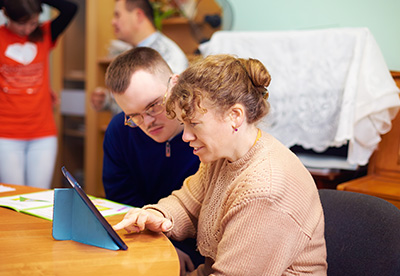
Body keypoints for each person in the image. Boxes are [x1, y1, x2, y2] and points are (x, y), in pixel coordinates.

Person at [112, 54, 328, 275]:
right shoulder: (222, 157)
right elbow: (186, 204)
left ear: (235, 116)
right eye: (183, 124)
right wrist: (158, 215)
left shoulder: (265, 190)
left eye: (194, 124)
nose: (185, 136)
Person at [104, 47, 203, 274]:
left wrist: (176, 248)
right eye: (134, 116)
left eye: (154, 106)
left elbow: (208, 214)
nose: (147, 122)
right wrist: (160, 247)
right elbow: (122, 201)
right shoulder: (119, 130)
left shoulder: (206, 133)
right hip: (143, 242)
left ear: (175, 84)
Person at [0, 0, 77, 188]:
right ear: (6, 14)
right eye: (21, 23)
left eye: (33, 22)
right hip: (6, 134)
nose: (27, 29)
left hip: (43, 133)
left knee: (39, 195)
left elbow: (71, 8)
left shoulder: (44, 33)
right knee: (13, 199)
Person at [91, 0, 188, 115]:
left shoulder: (168, 54)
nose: (113, 22)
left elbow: (168, 109)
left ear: (138, 15)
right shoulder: (130, 53)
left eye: (117, 15)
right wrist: (108, 100)